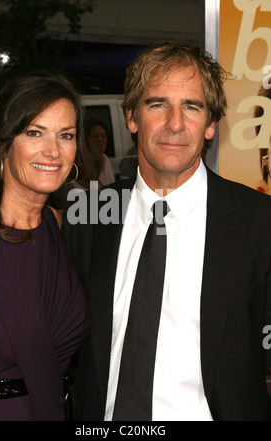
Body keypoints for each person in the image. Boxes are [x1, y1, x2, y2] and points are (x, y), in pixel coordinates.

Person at [62, 41, 271, 421]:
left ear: (210, 125)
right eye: (157, 104)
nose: (175, 124)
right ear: (132, 117)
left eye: (192, 107)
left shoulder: (259, 222)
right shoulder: (89, 214)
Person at [0, 72, 89, 421]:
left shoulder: (61, 227)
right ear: (3, 143)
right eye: (34, 133)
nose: (52, 151)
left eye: (65, 136)